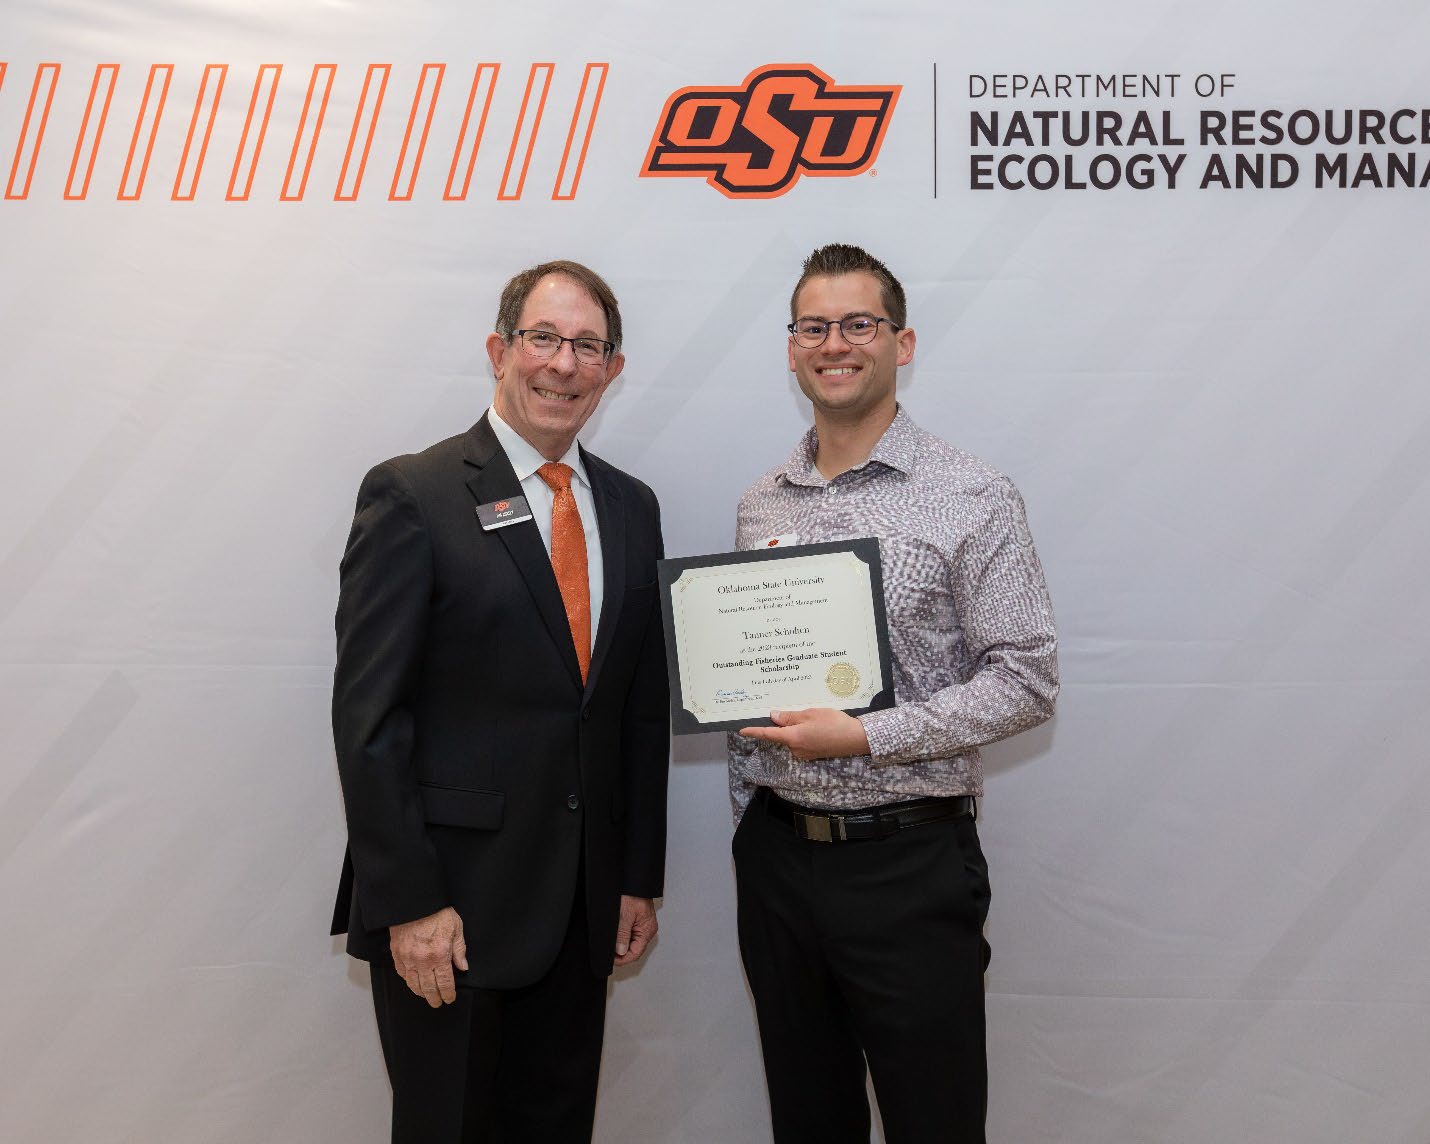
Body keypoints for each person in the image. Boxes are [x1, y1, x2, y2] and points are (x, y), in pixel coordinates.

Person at [330, 259, 669, 1143]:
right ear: (499, 350)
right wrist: (408, 901)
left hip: (581, 911)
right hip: (453, 915)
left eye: (588, 346)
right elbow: (370, 720)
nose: (564, 364)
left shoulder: (632, 508)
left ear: (613, 370)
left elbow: (635, 709)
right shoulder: (414, 493)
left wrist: (636, 876)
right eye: (544, 338)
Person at [729, 243, 1058, 1144]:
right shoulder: (763, 503)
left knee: (934, 1122)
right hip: (778, 861)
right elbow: (751, 678)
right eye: (814, 326)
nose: (836, 343)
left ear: (901, 343)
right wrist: (749, 813)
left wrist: (868, 738)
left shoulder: (973, 494)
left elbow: (1026, 679)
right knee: (808, 1118)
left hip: (908, 866)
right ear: (792, 349)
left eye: (859, 324)